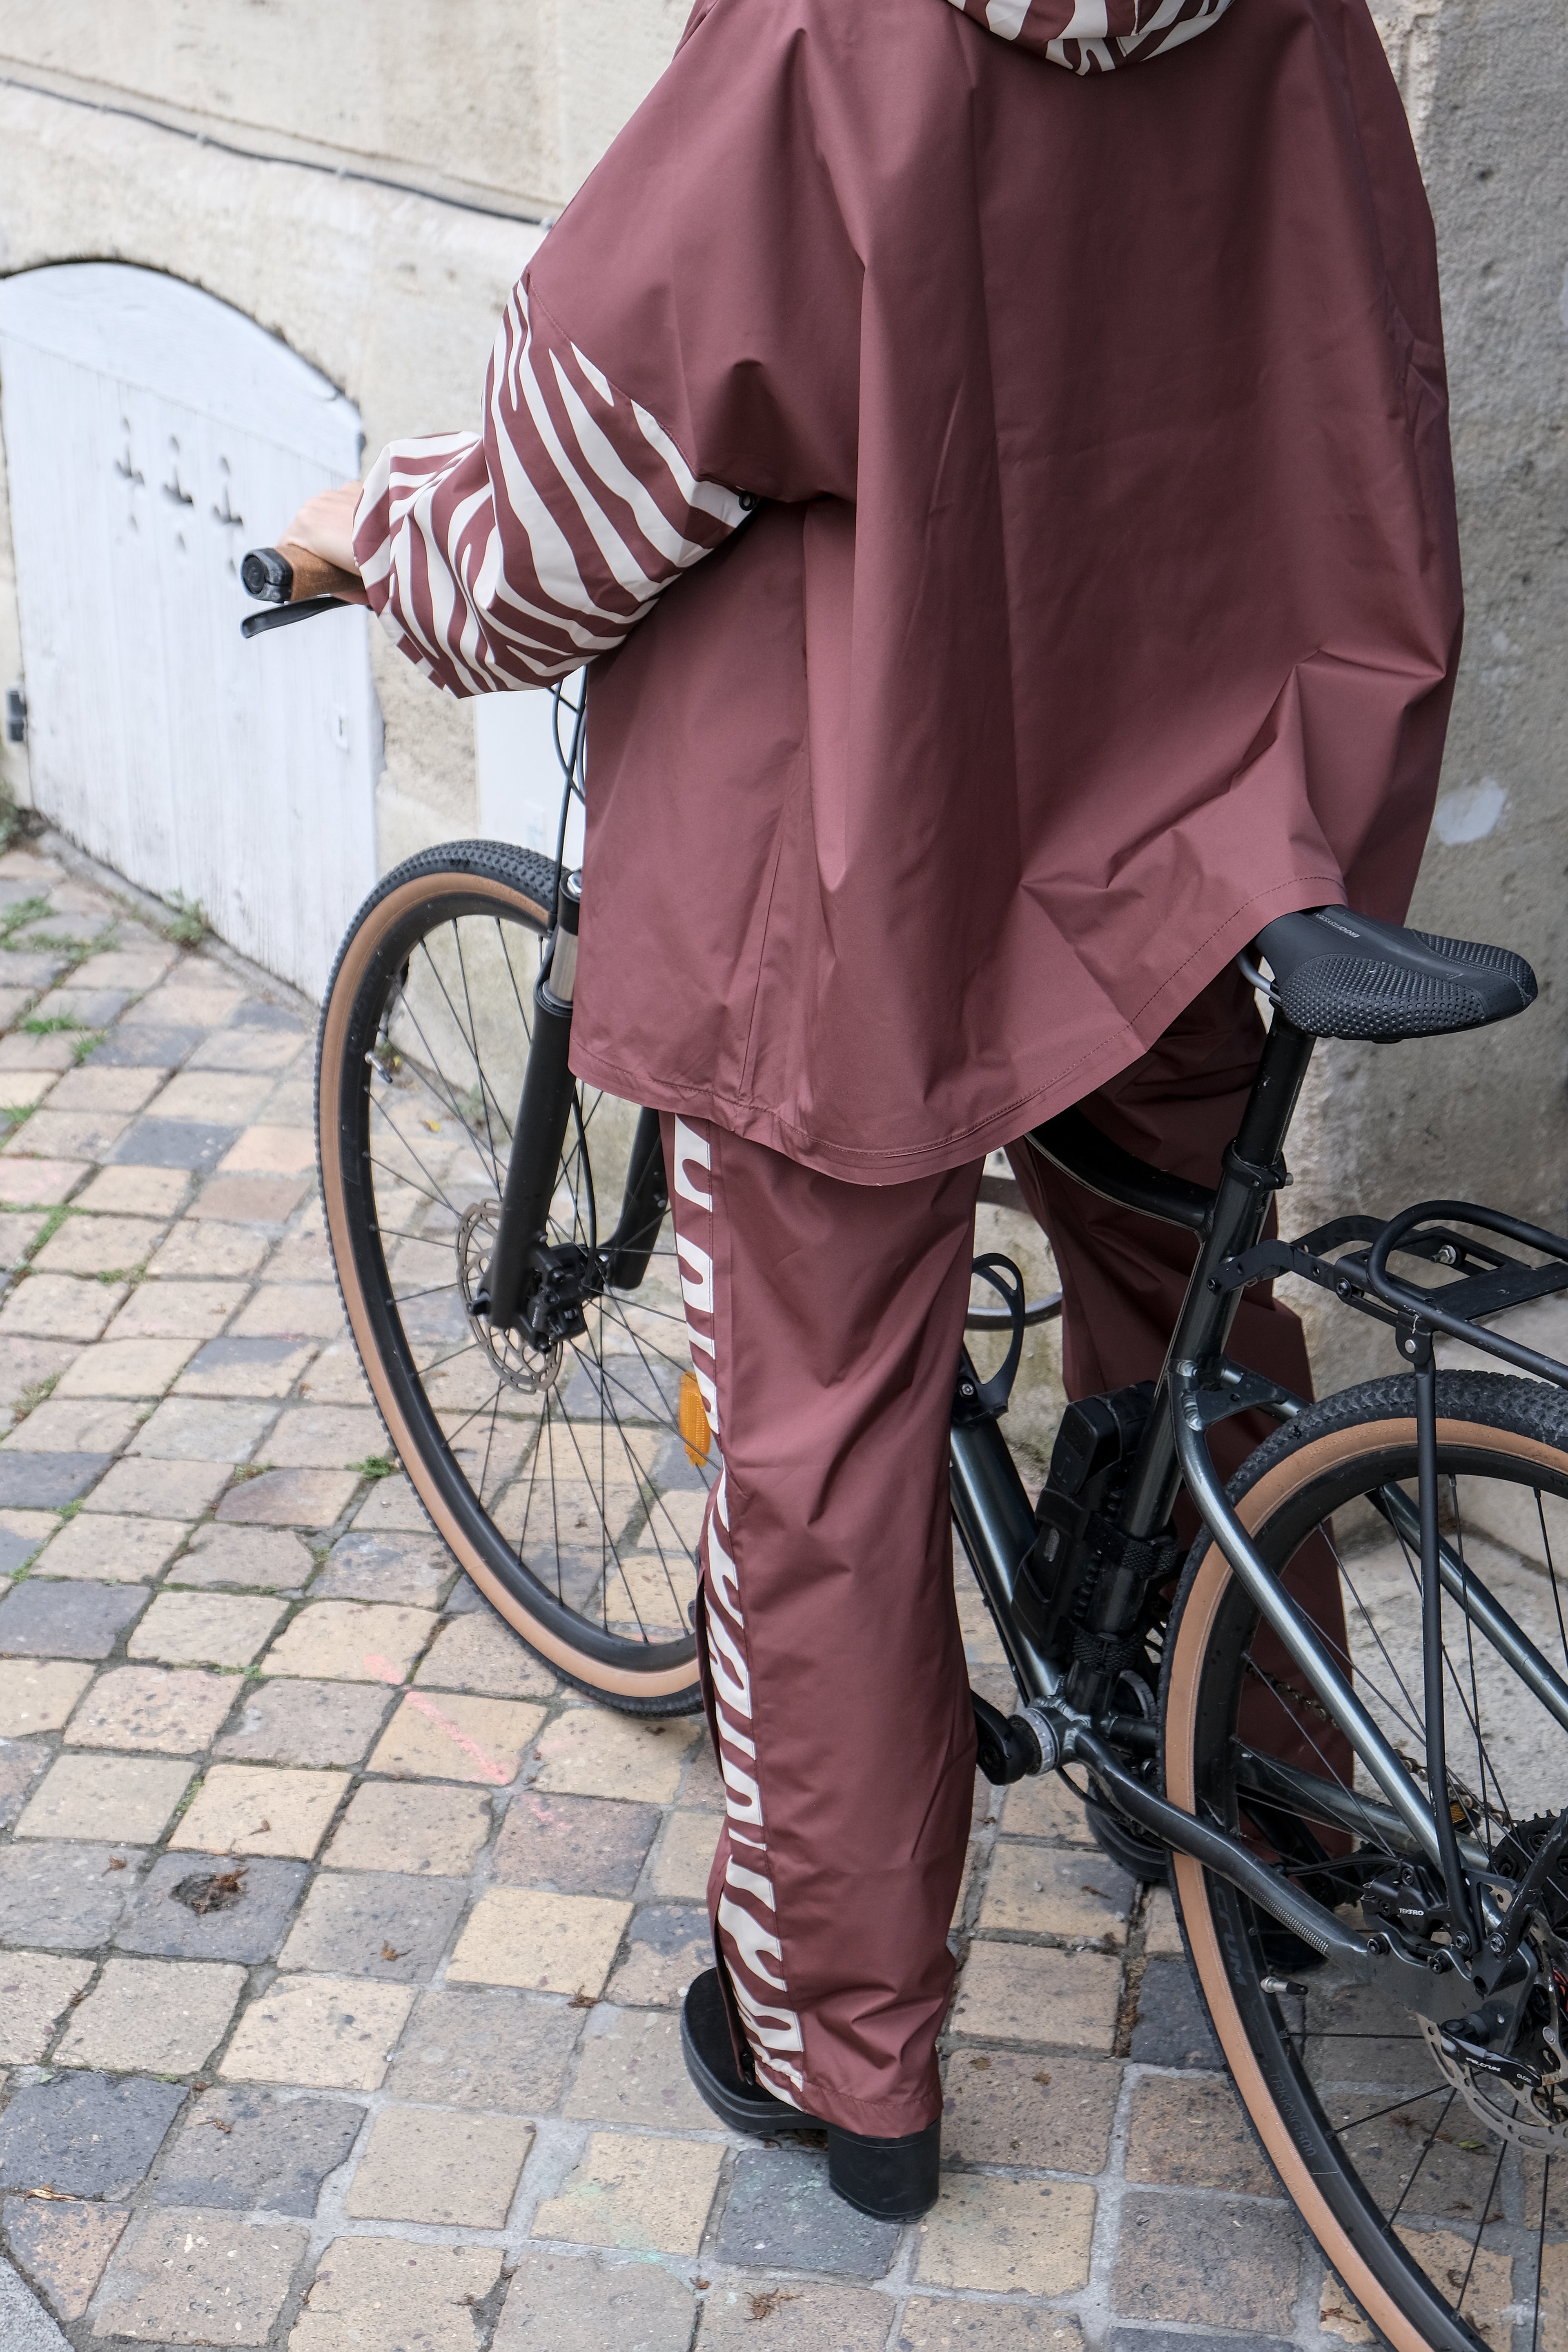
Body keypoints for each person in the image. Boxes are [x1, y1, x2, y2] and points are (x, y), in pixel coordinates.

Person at [282, 0, 1460, 2222]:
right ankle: (1269, 1786)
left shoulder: (841, 33)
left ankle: (850, 2050)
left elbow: (578, 498)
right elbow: (1357, 362)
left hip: (884, 847)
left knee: (816, 1434)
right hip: (1199, 794)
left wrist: (390, 538)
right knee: (1182, 1289)